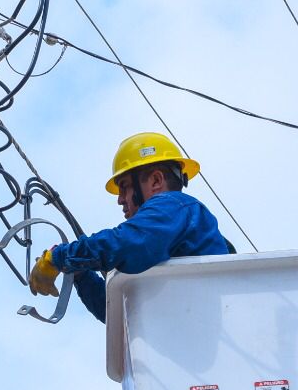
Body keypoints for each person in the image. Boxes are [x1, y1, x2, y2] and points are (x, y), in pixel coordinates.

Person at [28, 132, 234, 322]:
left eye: (124, 186)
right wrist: (81, 275)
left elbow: (125, 242)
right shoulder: (160, 252)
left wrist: (58, 257)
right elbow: (120, 313)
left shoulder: (174, 206)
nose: (120, 199)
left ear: (156, 181)